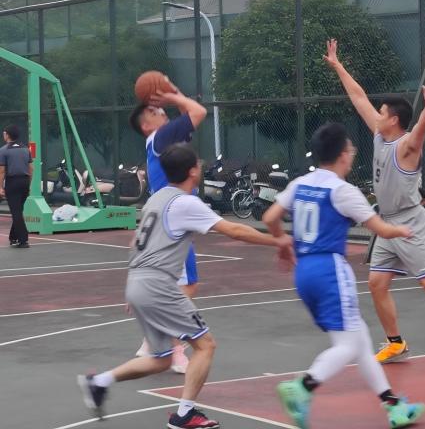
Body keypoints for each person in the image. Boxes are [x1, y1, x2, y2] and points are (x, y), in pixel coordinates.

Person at [77, 143, 292, 429]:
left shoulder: (156, 199)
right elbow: (234, 230)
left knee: (162, 359)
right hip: (158, 286)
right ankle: (185, 415)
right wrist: (277, 240)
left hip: (139, 282)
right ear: (192, 171)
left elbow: (135, 244)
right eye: (199, 163)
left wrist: (134, 286)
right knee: (205, 345)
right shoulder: (185, 203)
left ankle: (99, 382)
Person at [263, 123, 425, 429]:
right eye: (350, 149)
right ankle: (303, 386)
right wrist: (403, 230)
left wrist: (283, 242)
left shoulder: (301, 183)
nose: (352, 153)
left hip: (304, 272)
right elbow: (380, 229)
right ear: (342, 155)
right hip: (330, 271)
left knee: (359, 339)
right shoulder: (343, 191)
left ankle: (392, 405)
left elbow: (270, 217)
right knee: (348, 345)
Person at [322, 38, 425, 374]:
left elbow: (420, 131)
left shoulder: (406, 146)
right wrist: (338, 65)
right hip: (387, 223)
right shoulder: (379, 134)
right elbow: (358, 96)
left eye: (384, 112)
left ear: (394, 120)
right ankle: (396, 343)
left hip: (411, 223)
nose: (378, 114)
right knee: (376, 283)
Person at [129, 79, 208, 374]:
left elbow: (190, 113)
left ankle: (151, 341)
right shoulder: (161, 137)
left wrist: (173, 90)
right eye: (154, 111)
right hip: (173, 219)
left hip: (166, 218)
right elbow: (198, 111)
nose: (161, 111)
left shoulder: (164, 141)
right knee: (185, 286)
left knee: (176, 284)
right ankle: (175, 348)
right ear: (146, 125)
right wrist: (173, 96)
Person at [0, 124, 32, 248]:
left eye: (4, 133)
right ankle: (13, 237)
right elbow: (31, 169)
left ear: (7, 135)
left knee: (16, 212)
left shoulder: (3, 150)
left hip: (12, 182)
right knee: (18, 210)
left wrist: (0, 187)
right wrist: (29, 184)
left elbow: (2, 171)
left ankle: (23, 240)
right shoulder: (26, 149)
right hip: (25, 181)